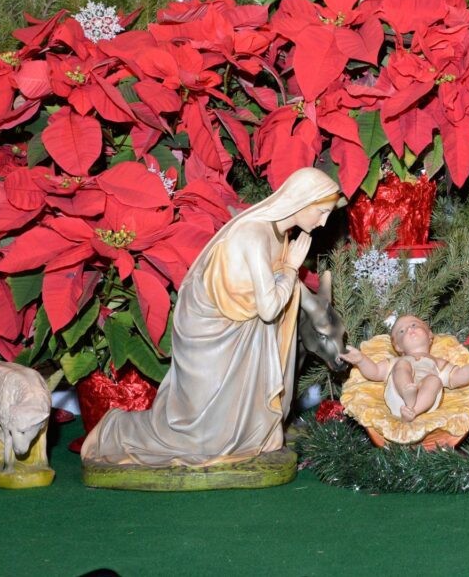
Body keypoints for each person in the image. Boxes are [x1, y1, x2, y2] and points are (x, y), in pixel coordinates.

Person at [81, 168, 343, 466]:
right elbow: (269, 308)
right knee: (196, 435)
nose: (323, 222)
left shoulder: (280, 235)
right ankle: (114, 430)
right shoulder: (255, 234)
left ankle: (257, 437)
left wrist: (290, 276)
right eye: (322, 212)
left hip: (240, 328)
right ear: (302, 201)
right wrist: (291, 269)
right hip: (209, 330)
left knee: (227, 426)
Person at [340, 315, 469, 422]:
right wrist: (361, 360)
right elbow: (374, 372)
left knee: (434, 380)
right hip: (399, 398)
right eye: (402, 331)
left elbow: (455, 377)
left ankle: (413, 410)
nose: (409, 329)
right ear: (398, 346)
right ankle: (408, 394)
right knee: (402, 365)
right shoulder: (395, 361)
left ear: (429, 335)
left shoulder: (437, 362)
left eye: (414, 325)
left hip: (423, 403)